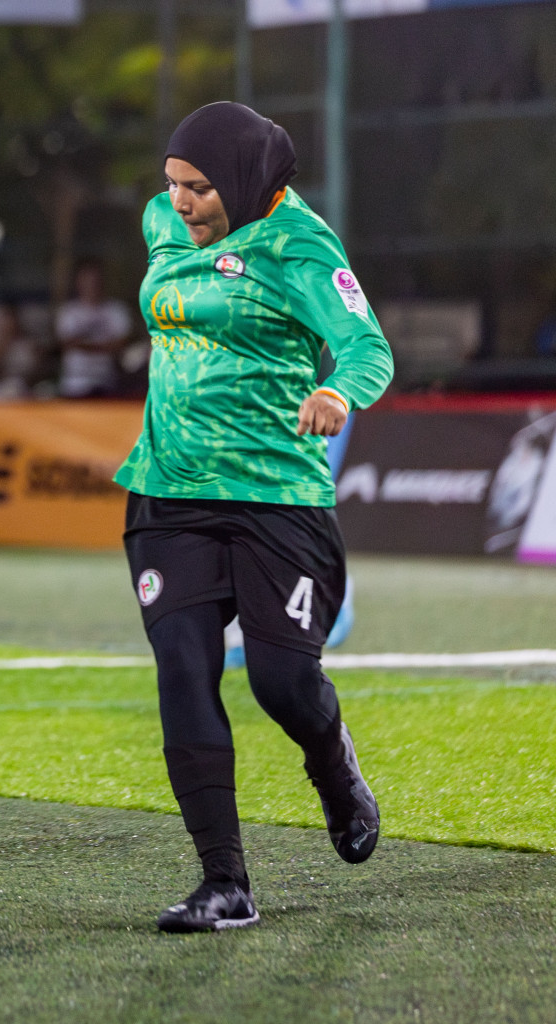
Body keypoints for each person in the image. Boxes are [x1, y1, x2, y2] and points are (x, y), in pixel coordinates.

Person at [113, 102, 394, 932]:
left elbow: (368, 346)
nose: (181, 204)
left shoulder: (302, 246)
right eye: (173, 185)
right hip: (168, 492)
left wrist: (338, 390)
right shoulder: (163, 222)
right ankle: (224, 883)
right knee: (183, 670)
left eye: (199, 188)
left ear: (243, 181)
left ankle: (333, 768)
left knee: (282, 684)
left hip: (277, 499)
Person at [55, 258, 132, 398]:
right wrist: (104, 346)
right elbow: (67, 343)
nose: (92, 284)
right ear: (78, 282)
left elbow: (122, 343)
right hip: (74, 383)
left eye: (95, 279)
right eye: (87, 279)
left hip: (107, 382)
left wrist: (83, 344)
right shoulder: (68, 311)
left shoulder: (116, 310)